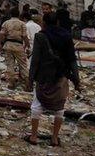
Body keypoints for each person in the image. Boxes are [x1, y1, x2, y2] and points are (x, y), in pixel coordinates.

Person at [27, 12, 81, 146]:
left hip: (43, 76)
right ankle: (55, 138)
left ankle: (33, 136)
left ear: (43, 23)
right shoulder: (67, 36)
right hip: (61, 75)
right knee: (59, 107)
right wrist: (76, 80)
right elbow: (72, 60)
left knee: (37, 106)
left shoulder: (40, 36)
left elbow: (35, 60)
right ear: (57, 22)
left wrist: (30, 79)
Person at [0, 11, 31, 89]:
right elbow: (25, 36)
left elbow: (2, 34)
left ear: (10, 15)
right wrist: (27, 45)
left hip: (8, 45)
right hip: (19, 45)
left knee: (10, 65)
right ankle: (27, 84)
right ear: (19, 15)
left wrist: (0, 44)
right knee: (23, 65)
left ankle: (11, 84)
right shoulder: (22, 24)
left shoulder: (6, 23)